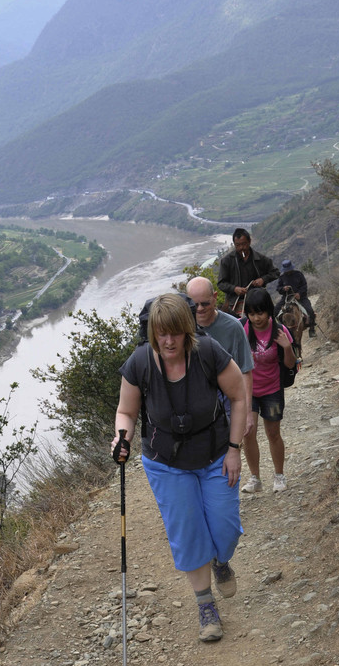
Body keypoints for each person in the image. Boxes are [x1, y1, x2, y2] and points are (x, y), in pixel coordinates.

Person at [112, 293, 247, 643]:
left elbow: (239, 395)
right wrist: (121, 438)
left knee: (226, 529)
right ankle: (206, 606)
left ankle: (220, 560)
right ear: (153, 333)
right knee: (187, 531)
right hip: (165, 461)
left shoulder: (208, 352)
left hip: (216, 453)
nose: (168, 341)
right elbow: (126, 412)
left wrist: (234, 449)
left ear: (187, 331)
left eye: (174, 333)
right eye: (161, 334)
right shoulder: (140, 362)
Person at [240, 287, 296, 495]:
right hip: (249, 391)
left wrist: (287, 347)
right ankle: (255, 478)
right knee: (248, 432)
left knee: (273, 433)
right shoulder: (243, 329)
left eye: (260, 313)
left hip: (272, 390)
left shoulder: (280, 330)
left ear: (269, 311)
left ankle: (279, 475)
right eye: (252, 314)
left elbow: (290, 365)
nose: (256, 318)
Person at [186, 275, 254, 438]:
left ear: (215, 298)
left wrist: (247, 411)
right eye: (195, 305)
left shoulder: (233, 327)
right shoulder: (182, 330)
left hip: (227, 402)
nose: (200, 309)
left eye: (205, 303)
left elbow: (245, 371)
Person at [217, 228, 280, 316]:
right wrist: (234, 289)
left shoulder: (260, 259)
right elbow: (221, 283)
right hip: (234, 302)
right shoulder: (227, 261)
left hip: (258, 299)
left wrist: (263, 279)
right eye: (237, 245)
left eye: (244, 244)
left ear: (249, 241)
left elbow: (275, 272)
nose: (241, 248)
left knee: (271, 318)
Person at [276, 259, 316, 337]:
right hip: (287, 298)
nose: (288, 271)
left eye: (289, 270)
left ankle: (312, 329)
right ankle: (280, 329)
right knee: (275, 311)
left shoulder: (299, 274)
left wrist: (299, 293)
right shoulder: (282, 277)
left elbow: (304, 285)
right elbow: (278, 288)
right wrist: (283, 289)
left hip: (300, 297)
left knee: (310, 310)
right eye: (286, 270)